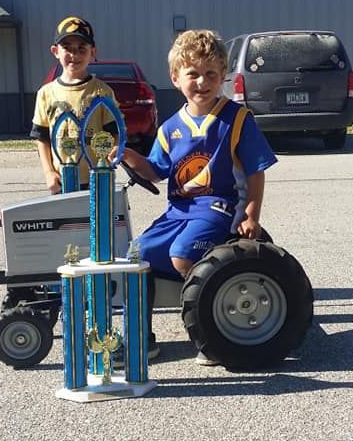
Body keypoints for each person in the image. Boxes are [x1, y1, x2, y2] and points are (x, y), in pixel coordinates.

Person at [114, 29, 277, 366]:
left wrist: (251, 214)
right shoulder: (170, 127)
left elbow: (255, 171)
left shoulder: (236, 119)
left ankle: (210, 334)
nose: (202, 82)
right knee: (134, 256)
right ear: (176, 78)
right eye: (193, 74)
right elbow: (155, 171)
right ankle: (140, 340)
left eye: (210, 74)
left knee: (181, 255)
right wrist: (127, 154)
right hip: (178, 211)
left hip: (219, 206)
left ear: (222, 77)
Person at [30, 16, 118, 193]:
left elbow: (115, 134)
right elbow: (42, 138)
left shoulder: (103, 92)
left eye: (81, 49)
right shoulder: (46, 93)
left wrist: (110, 159)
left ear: (93, 52)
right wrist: (48, 172)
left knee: (98, 220)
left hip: (97, 178)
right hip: (63, 180)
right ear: (55, 51)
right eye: (67, 48)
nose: (74, 55)